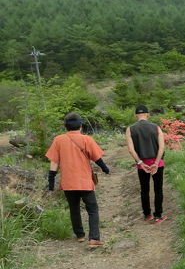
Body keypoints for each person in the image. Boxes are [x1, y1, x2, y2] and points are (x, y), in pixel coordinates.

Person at [45, 112, 110, 246]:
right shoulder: (87, 139)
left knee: (74, 208)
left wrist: (51, 183)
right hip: (84, 181)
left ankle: (80, 235)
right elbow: (97, 158)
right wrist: (105, 169)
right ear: (80, 126)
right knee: (92, 209)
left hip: (68, 183)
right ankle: (94, 238)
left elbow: (54, 163)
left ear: (66, 127)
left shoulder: (58, 140)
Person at [125, 105, 167, 224]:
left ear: (135, 115)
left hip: (141, 165)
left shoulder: (130, 129)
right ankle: (158, 216)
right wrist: (156, 162)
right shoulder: (156, 127)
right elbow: (162, 147)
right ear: (148, 114)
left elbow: (131, 150)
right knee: (158, 189)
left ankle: (147, 215)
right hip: (157, 164)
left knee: (144, 189)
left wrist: (140, 162)